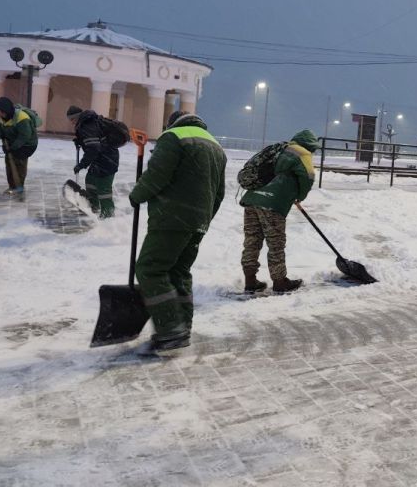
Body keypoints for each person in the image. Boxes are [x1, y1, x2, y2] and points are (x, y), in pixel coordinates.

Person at [129, 111, 227, 352]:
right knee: (178, 271)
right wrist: (203, 217)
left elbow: (157, 175)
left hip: (171, 217)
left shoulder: (173, 137)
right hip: (198, 221)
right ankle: (182, 327)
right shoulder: (216, 146)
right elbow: (220, 192)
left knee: (150, 268)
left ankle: (171, 329)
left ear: (171, 123)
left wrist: (137, 195)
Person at [239, 129, 320, 294]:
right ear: (310, 145)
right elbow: (308, 177)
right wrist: (299, 196)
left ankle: (250, 280)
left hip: (252, 199)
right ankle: (279, 281)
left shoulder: (279, 149)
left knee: (252, 240)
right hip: (272, 203)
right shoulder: (302, 154)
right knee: (275, 243)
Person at [66, 105, 120, 218]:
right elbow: (95, 140)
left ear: (77, 117)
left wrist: (82, 164)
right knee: (90, 180)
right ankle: (93, 207)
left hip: (107, 160)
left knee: (103, 188)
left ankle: (108, 215)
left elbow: (93, 149)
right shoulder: (88, 123)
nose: (71, 122)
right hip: (101, 158)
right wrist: (81, 140)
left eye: (72, 119)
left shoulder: (87, 125)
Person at [0, 96, 38, 195]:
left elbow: (24, 136)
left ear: (8, 110)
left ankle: (19, 187)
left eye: (2, 112)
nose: (0, 114)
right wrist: (1, 134)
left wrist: (13, 147)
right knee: (9, 161)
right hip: (11, 140)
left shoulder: (22, 118)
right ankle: (12, 186)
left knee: (19, 162)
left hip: (28, 144)